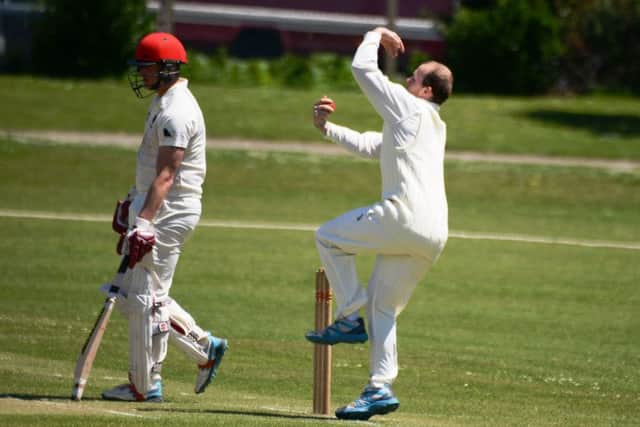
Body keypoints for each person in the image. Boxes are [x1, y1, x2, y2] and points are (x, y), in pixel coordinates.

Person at [306, 27, 453, 420]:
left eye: (415, 77)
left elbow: (363, 70)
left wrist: (375, 34)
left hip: (404, 218)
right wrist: (326, 129)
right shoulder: (429, 123)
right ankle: (378, 388)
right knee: (384, 309)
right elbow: (372, 145)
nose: (407, 79)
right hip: (433, 235)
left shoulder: (411, 108)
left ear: (425, 91)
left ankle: (350, 315)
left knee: (329, 238)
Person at [102, 32, 228, 402]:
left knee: (145, 298)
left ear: (168, 68)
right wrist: (133, 204)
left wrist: (144, 221)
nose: (141, 74)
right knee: (135, 295)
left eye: (147, 67)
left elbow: (167, 175)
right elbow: (150, 170)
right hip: (157, 206)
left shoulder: (177, 110)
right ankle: (203, 350)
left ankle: (146, 383)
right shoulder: (163, 102)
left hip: (170, 210)